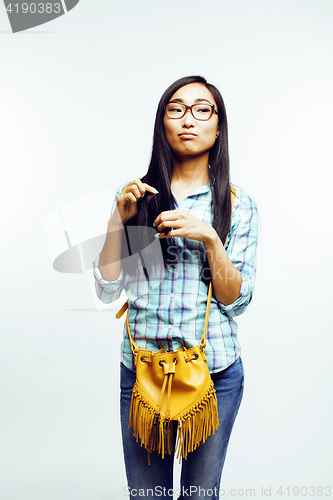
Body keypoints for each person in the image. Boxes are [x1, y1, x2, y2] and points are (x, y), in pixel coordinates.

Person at [93, 75, 259, 500]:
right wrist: (118, 222)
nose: (189, 119)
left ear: (218, 126)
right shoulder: (137, 197)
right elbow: (109, 290)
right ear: (161, 123)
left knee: (200, 496)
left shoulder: (237, 204)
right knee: (147, 496)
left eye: (202, 109)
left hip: (213, 372)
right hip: (142, 368)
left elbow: (235, 300)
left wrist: (209, 238)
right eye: (176, 109)